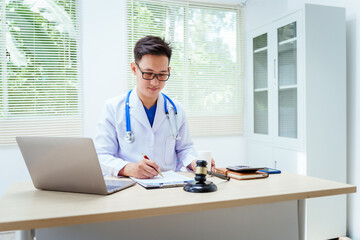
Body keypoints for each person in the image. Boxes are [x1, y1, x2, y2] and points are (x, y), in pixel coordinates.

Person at [95, 35, 215, 179]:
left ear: (168, 71)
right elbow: (101, 156)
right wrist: (129, 168)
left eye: (162, 74)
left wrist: (194, 162)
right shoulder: (113, 108)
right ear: (134, 68)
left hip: (169, 184)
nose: (154, 82)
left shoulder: (176, 109)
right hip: (130, 185)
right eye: (148, 73)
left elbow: (184, 149)